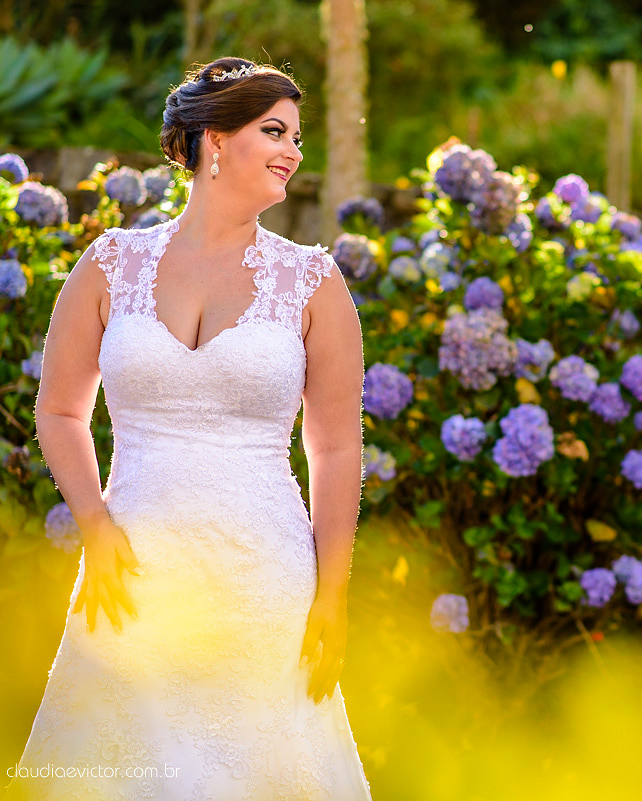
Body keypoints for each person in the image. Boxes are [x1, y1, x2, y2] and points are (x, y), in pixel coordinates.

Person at [6, 57, 372, 799]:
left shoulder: (313, 281)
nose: (293, 152)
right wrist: (96, 526)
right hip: (131, 575)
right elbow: (60, 409)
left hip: (263, 581)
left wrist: (332, 593)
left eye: (297, 137)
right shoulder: (111, 263)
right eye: (274, 130)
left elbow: (334, 448)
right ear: (212, 140)